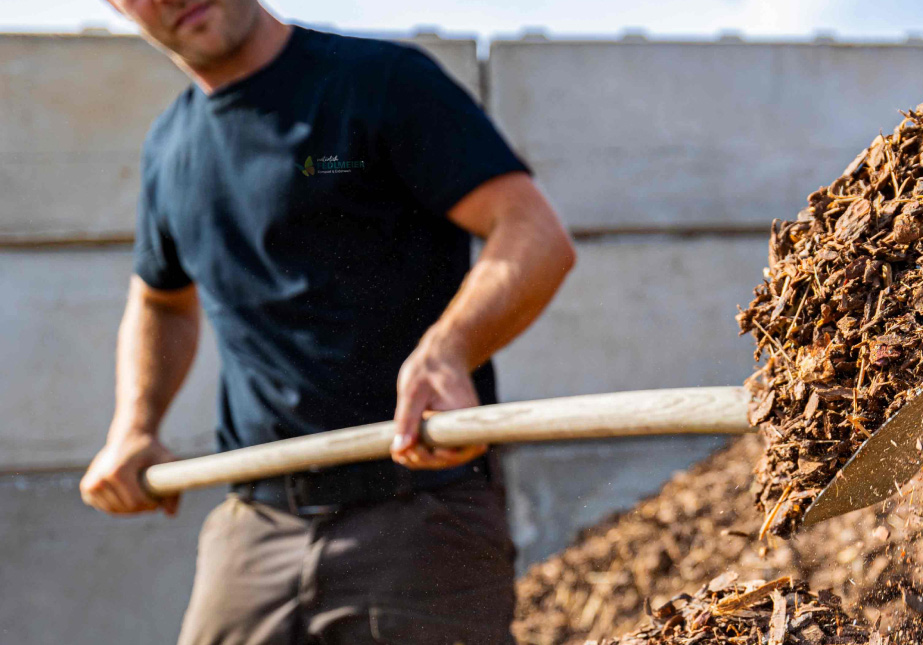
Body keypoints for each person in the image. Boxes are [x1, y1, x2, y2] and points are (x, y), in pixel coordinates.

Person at [77, 1, 576, 643]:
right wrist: (134, 427)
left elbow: (532, 233)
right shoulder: (168, 148)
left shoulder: (379, 84)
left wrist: (446, 351)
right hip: (253, 527)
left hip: (416, 517)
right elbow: (160, 300)